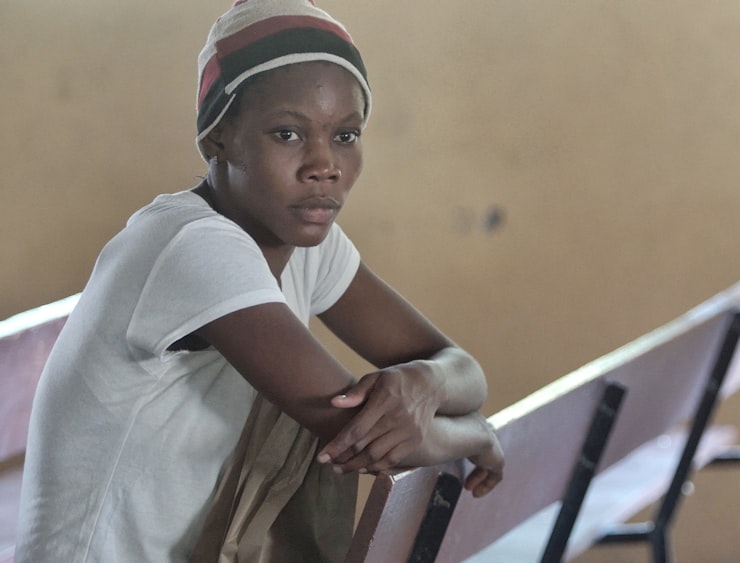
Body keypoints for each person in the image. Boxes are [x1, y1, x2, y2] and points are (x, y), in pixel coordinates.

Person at [14, 1, 503, 561]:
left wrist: (423, 383)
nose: (325, 166)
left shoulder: (303, 242)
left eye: (346, 136)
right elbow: (361, 437)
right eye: (289, 134)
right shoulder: (193, 247)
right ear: (217, 138)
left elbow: (461, 369)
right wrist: (479, 437)